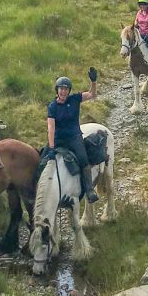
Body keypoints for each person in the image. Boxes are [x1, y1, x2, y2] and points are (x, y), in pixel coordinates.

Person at [46, 68, 99, 203]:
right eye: (61, 89)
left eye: (66, 89)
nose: (63, 91)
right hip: (58, 139)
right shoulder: (52, 106)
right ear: (57, 90)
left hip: (74, 137)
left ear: (69, 91)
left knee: (83, 159)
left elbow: (92, 94)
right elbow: (51, 128)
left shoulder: (75, 99)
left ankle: (89, 189)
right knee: (43, 159)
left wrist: (93, 81)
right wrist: (51, 148)